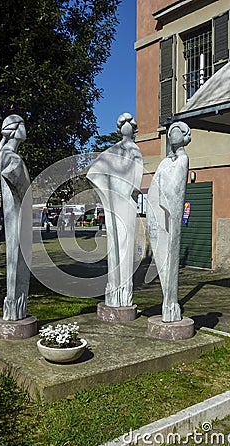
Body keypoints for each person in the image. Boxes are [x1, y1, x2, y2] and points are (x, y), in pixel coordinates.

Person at [87, 113, 143, 307]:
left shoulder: (135, 151)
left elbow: (135, 184)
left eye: (130, 123)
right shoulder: (112, 151)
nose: (127, 126)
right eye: (123, 124)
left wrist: (123, 192)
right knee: (114, 246)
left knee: (125, 246)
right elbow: (94, 173)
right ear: (119, 129)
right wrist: (108, 192)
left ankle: (124, 294)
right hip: (113, 203)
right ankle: (113, 291)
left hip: (125, 203)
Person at [146, 121, 191, 322]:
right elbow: (155, 186)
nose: (172, 136)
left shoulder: (183, 160)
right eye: (170, 132)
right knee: (162, 258)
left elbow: (174, 190)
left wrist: (162, 186)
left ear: (184, 136)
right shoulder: (164, 162)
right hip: (159, 215)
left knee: (170, 258)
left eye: (176, 132)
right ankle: (167, 301)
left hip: (170, 217)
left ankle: (171, 303)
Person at [0, 114, 32, 321]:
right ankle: (14, 310)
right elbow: (22, 188)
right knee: (17, 259)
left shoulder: (5, 155)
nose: (25, 129)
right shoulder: (12, 159)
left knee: (18, 260)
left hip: (18, 215)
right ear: (15, 128)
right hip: (18, 216)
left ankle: (16, 310)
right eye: (23, 124)